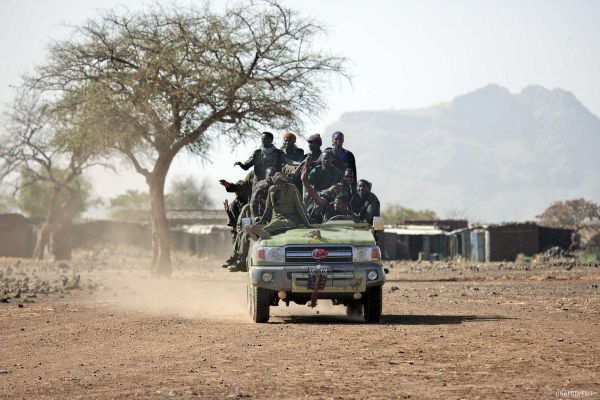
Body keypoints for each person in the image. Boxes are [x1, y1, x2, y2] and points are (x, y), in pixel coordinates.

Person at [246, 173, 309, 239]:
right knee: (273, 224)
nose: (280, 185)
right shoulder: (271, 190)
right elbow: (268, 208)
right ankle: (259, 232)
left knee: (277, 224)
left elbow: (300, 206)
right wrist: (261, 221)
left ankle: (261, 232)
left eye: (282, 182)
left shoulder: (292, 188)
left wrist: (306, 222)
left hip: (291, 219)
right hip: (276, 218)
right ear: (275, 183)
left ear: (285, 182)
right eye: (278, 183)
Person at [234, 131, 299, 186]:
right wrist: (240, 164)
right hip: (258, 185)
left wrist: (299, 163)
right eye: (262, 139)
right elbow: (246, 167)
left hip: (273, 183)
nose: (262, 140)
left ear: (271, 140)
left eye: (265, 139)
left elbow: (289, 161)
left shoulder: (278, 153)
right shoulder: (257, 153)